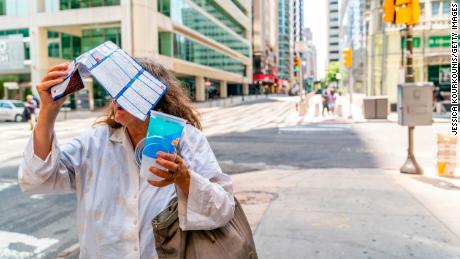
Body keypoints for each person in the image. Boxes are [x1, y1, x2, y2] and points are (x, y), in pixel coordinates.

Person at [18, 59, 235, 258]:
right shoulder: (95, 142)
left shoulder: (186, 139)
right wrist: (48, 110)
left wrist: (184, 178)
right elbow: (36, 179)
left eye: (128, 87)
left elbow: (222, 210)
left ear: (154, 93)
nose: (117, 96)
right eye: (115, 87)